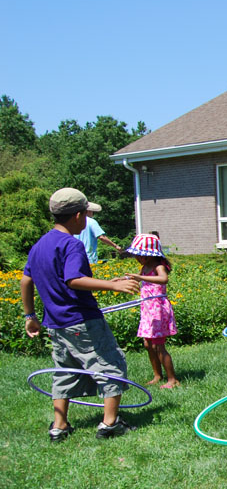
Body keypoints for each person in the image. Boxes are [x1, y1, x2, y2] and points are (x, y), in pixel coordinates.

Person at [20, 188, 141, 442]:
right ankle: (110, 424)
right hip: (82, 321)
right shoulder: (71, 244)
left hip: (56, 324)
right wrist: (112, 285)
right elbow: (74, 279)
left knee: (65, 370)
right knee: (109, 365)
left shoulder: (40, 245)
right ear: (77, 216)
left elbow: (25, 281)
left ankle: (59, 426)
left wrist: (30, 315)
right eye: (86, 214)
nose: (87, 219)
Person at [124, 233, 179, 389]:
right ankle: (157, 375)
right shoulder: (145, 268)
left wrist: (141, 278)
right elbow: (137, 278)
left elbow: (163, 279)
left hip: (158, 311)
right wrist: (122, 280)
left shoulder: (158, 267)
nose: (136, 258)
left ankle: (172, 379)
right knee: (148, 344)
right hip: (148, 311)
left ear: (147, 255)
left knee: (158, 346)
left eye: (138, 255)